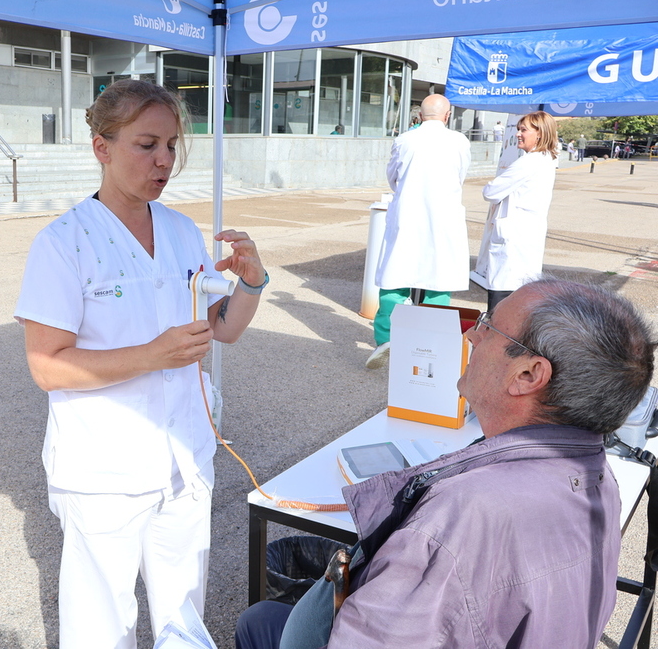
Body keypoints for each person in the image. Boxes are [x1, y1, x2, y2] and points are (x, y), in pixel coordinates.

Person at [236, 278, 656, 649]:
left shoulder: (460, 518)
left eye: (488, 326)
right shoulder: (595, 470)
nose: (471, 335)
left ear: (528, 375)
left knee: (257, 624)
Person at [14, 79, 268, 649]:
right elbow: (47, 366)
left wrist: (252, 282)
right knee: (101, 621)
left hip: (184, 457)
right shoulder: (63, 243)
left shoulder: (178, 230)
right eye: (146, 144)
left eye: (172, 146)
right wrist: (152, 355)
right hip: (105, 468)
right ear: (102, 148)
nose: (164, 161)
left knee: (184, 611)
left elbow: (222, 328)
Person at [366, 93, 471, 369]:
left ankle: (387, 339)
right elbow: (461, 176)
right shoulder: (459, 141)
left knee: (395, 278)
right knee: (439, 282)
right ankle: (430, 341)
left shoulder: (404, 139)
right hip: (443, 220)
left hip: (408, 218)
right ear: (447, 115)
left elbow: (393, 178)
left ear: (420, 115)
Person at [473, 110, 558, 312]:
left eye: (524, 130)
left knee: (502, 303)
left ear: (540, 133)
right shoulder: (547, 159)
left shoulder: (528, 162)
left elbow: (491, 192)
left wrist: (491, 186)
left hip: (513, 240)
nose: (518, 134)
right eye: (518, 129)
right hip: (526, 236)